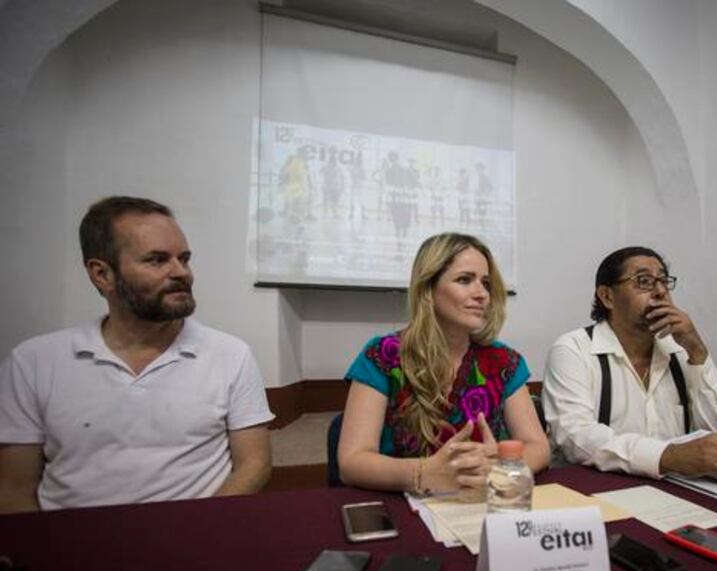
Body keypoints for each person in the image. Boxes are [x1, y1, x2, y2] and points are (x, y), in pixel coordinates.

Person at [0, 197, 274, 513]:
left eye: (184, 259)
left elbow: (254, 465)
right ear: (102, 274)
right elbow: (13, 488)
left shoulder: (230, 354)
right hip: (73, 545)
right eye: (157, 260)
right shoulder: (33, 362)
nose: (181, 272)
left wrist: (198, 530)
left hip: (196, 535)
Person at [338, 233, 549, 494]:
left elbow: (538, 447)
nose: (482, 293)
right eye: (464, 280)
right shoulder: (383, 356)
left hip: (480, 502)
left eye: (485, 283)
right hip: (405, 501)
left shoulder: (504, 361)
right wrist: (423, 473)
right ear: (428, 289)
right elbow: (352, 462)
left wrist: (501, 467)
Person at [543, 247, 717, 482]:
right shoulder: (574, 349)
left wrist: (698, 352)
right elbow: (576, 436)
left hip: (679, 487)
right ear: (607, 296)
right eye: (644, 281)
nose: (661, 291)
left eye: (664, 281)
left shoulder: (681, 349)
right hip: (598, 487)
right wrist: (667, 457)